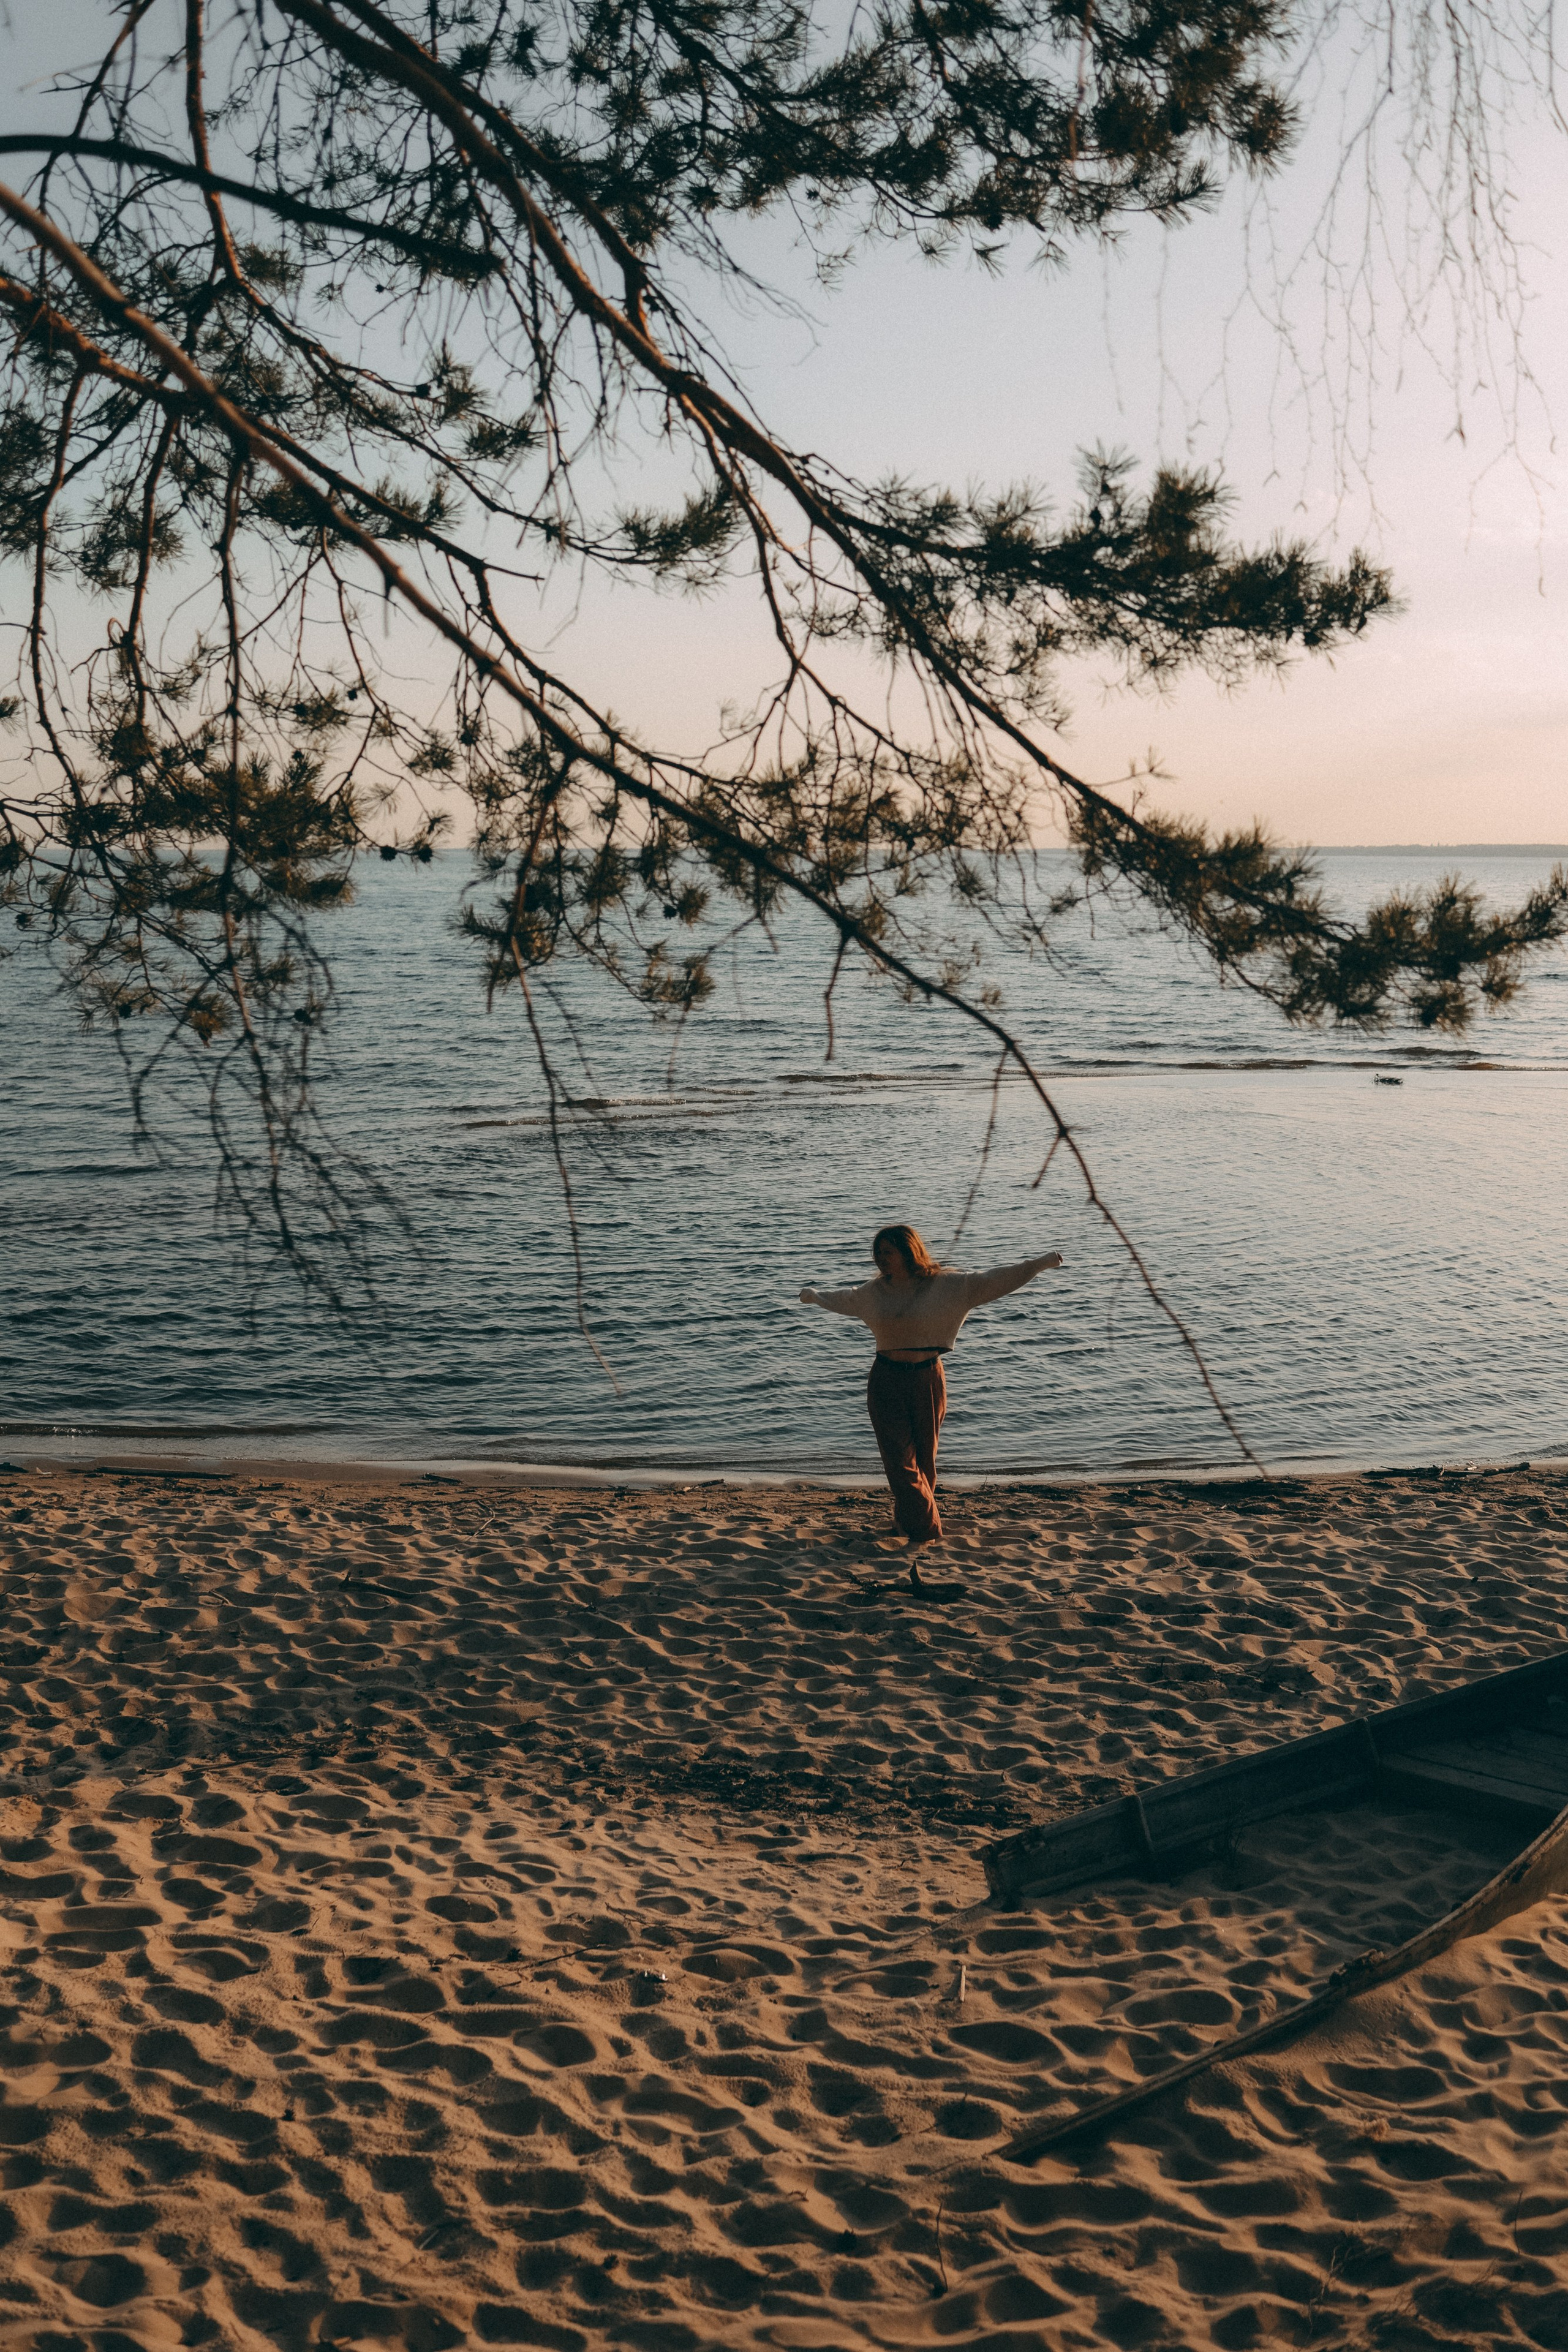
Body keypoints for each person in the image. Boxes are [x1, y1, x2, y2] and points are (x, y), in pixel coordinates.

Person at [798, 1223, 1065, 1564]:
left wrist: (1040, 1263)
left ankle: (904, 1520)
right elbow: (846, 1298)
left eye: (888, 1252)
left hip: (928, 1379)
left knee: (924, 1461)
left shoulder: (949, 1286)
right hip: (887, 1380)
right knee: (900, 1461)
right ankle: (927, 1531)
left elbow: (998, 1279)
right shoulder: (874, 1292)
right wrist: (816, 1297)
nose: (881, 1259)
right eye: (878, 1253)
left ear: (909, 1252)